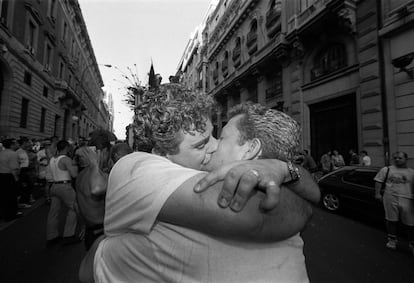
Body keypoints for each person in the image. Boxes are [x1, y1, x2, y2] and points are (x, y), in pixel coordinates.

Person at [93, 85, 319, 282]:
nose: (213, 147)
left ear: (251, 149)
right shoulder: (137, 168)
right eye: (201, 145)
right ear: (162, 154)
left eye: (218, 137)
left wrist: (286, 170)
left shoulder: (275, 182)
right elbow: (258, 217)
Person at [76, 140, 132, 251]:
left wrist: (84, 224)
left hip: (91, 231)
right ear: (101, 152)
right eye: (108, 153)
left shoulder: (81, 175)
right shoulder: (101, 177)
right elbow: (96, 189)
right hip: (102, 233)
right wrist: (95, 164)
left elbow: (76, 205)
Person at [374, 151, 414, 254]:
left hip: (407, 199)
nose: (397, 159)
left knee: (410, 223)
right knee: (391, 220)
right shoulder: (386, 169)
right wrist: (377, 193)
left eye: (400, 158)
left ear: (406, 159)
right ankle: (392, 239)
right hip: (390, 197)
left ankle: (412, 243)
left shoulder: (411, 172)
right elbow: (378, 181)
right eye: (395, 158)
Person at [46, 140, 79, 246]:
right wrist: (75, 164)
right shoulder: (66, 159)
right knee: (74, 207)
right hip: (64, 186)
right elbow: (74, 174)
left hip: (54, 186)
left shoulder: (52, 159)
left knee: (53, 212)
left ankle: (51, 236)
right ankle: (68, 235)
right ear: (66, 148)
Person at [0, 138, 22, 221]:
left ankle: (2, 214)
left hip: (1, 176)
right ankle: (10, 215)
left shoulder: (1, 152)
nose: (18, 144)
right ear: (12, 145)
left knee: (2, 196)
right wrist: (16, 179)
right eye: (16, 143)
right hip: (9, 177)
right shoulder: (13, 154)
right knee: (11, 197)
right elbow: (14, 169)